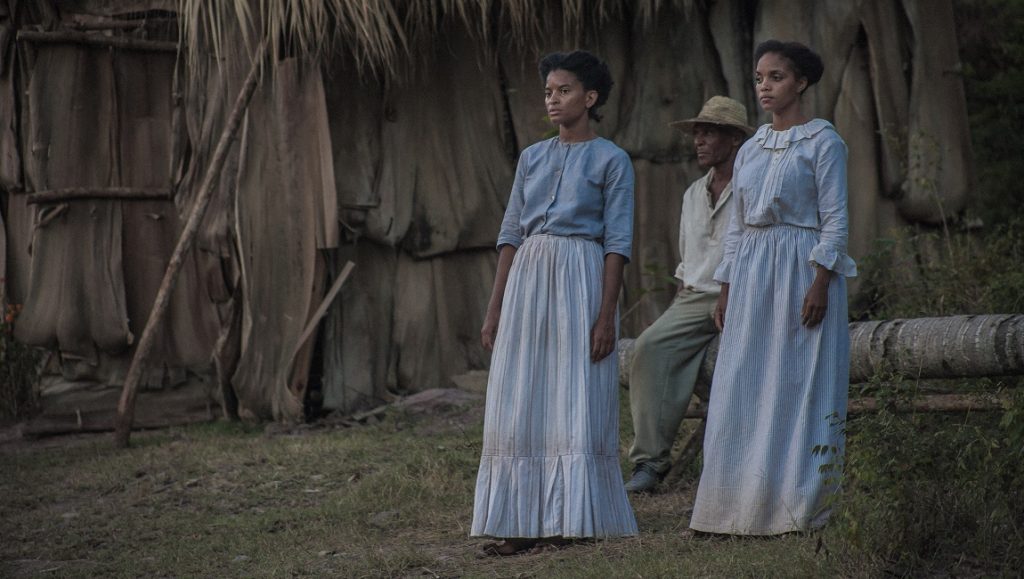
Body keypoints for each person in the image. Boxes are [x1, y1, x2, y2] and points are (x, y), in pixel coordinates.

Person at [470, 50, 638, 555]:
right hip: (528, 279)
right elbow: (509, 235)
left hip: (580, 276)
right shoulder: (532, 158)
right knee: (521, 391)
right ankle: (518, 520)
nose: (552, 99)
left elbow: (617, 242)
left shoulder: (613, 159)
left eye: (563, 90)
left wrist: (606, 315)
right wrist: (495, 308)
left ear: (589, 98)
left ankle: (573, 515)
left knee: (575, 389)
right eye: (547, 91)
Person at [689, 40, 856, 535]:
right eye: (760, 77)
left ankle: (794, 508)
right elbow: (738, 225)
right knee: (741, 381)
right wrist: (726, 287)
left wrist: (821, 280)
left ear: (800, 82)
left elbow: (836, 220)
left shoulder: (824, 142)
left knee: (797, 381)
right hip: (754, 273)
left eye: (776, 77)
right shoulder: (753, 148)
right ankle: (728, 508)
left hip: (801, 269)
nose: (765, 85)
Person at [624, 96, 753, 493]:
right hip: (694, 296)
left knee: (648, 348)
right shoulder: (693, 193)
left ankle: (651, 461)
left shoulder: (752, 186)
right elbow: (688, 261)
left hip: (738, 292)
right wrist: (679, 307)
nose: (698, 141)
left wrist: (727, 294)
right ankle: (650, 463)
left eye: (709, 132)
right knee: (649, 348)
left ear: (733, 139)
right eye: (696, 133)